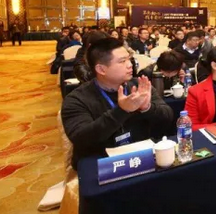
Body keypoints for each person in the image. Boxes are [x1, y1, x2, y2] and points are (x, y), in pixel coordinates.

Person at [60, 38, 174, 169]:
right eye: (122, 61)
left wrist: (147, 108)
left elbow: (168, 116)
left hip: (141, 157)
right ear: (101, 69)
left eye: (129, 59)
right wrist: (122, 110)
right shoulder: (76, 99)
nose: (130, 65)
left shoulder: (139, 86)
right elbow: (82, 138)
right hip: (102, 164)